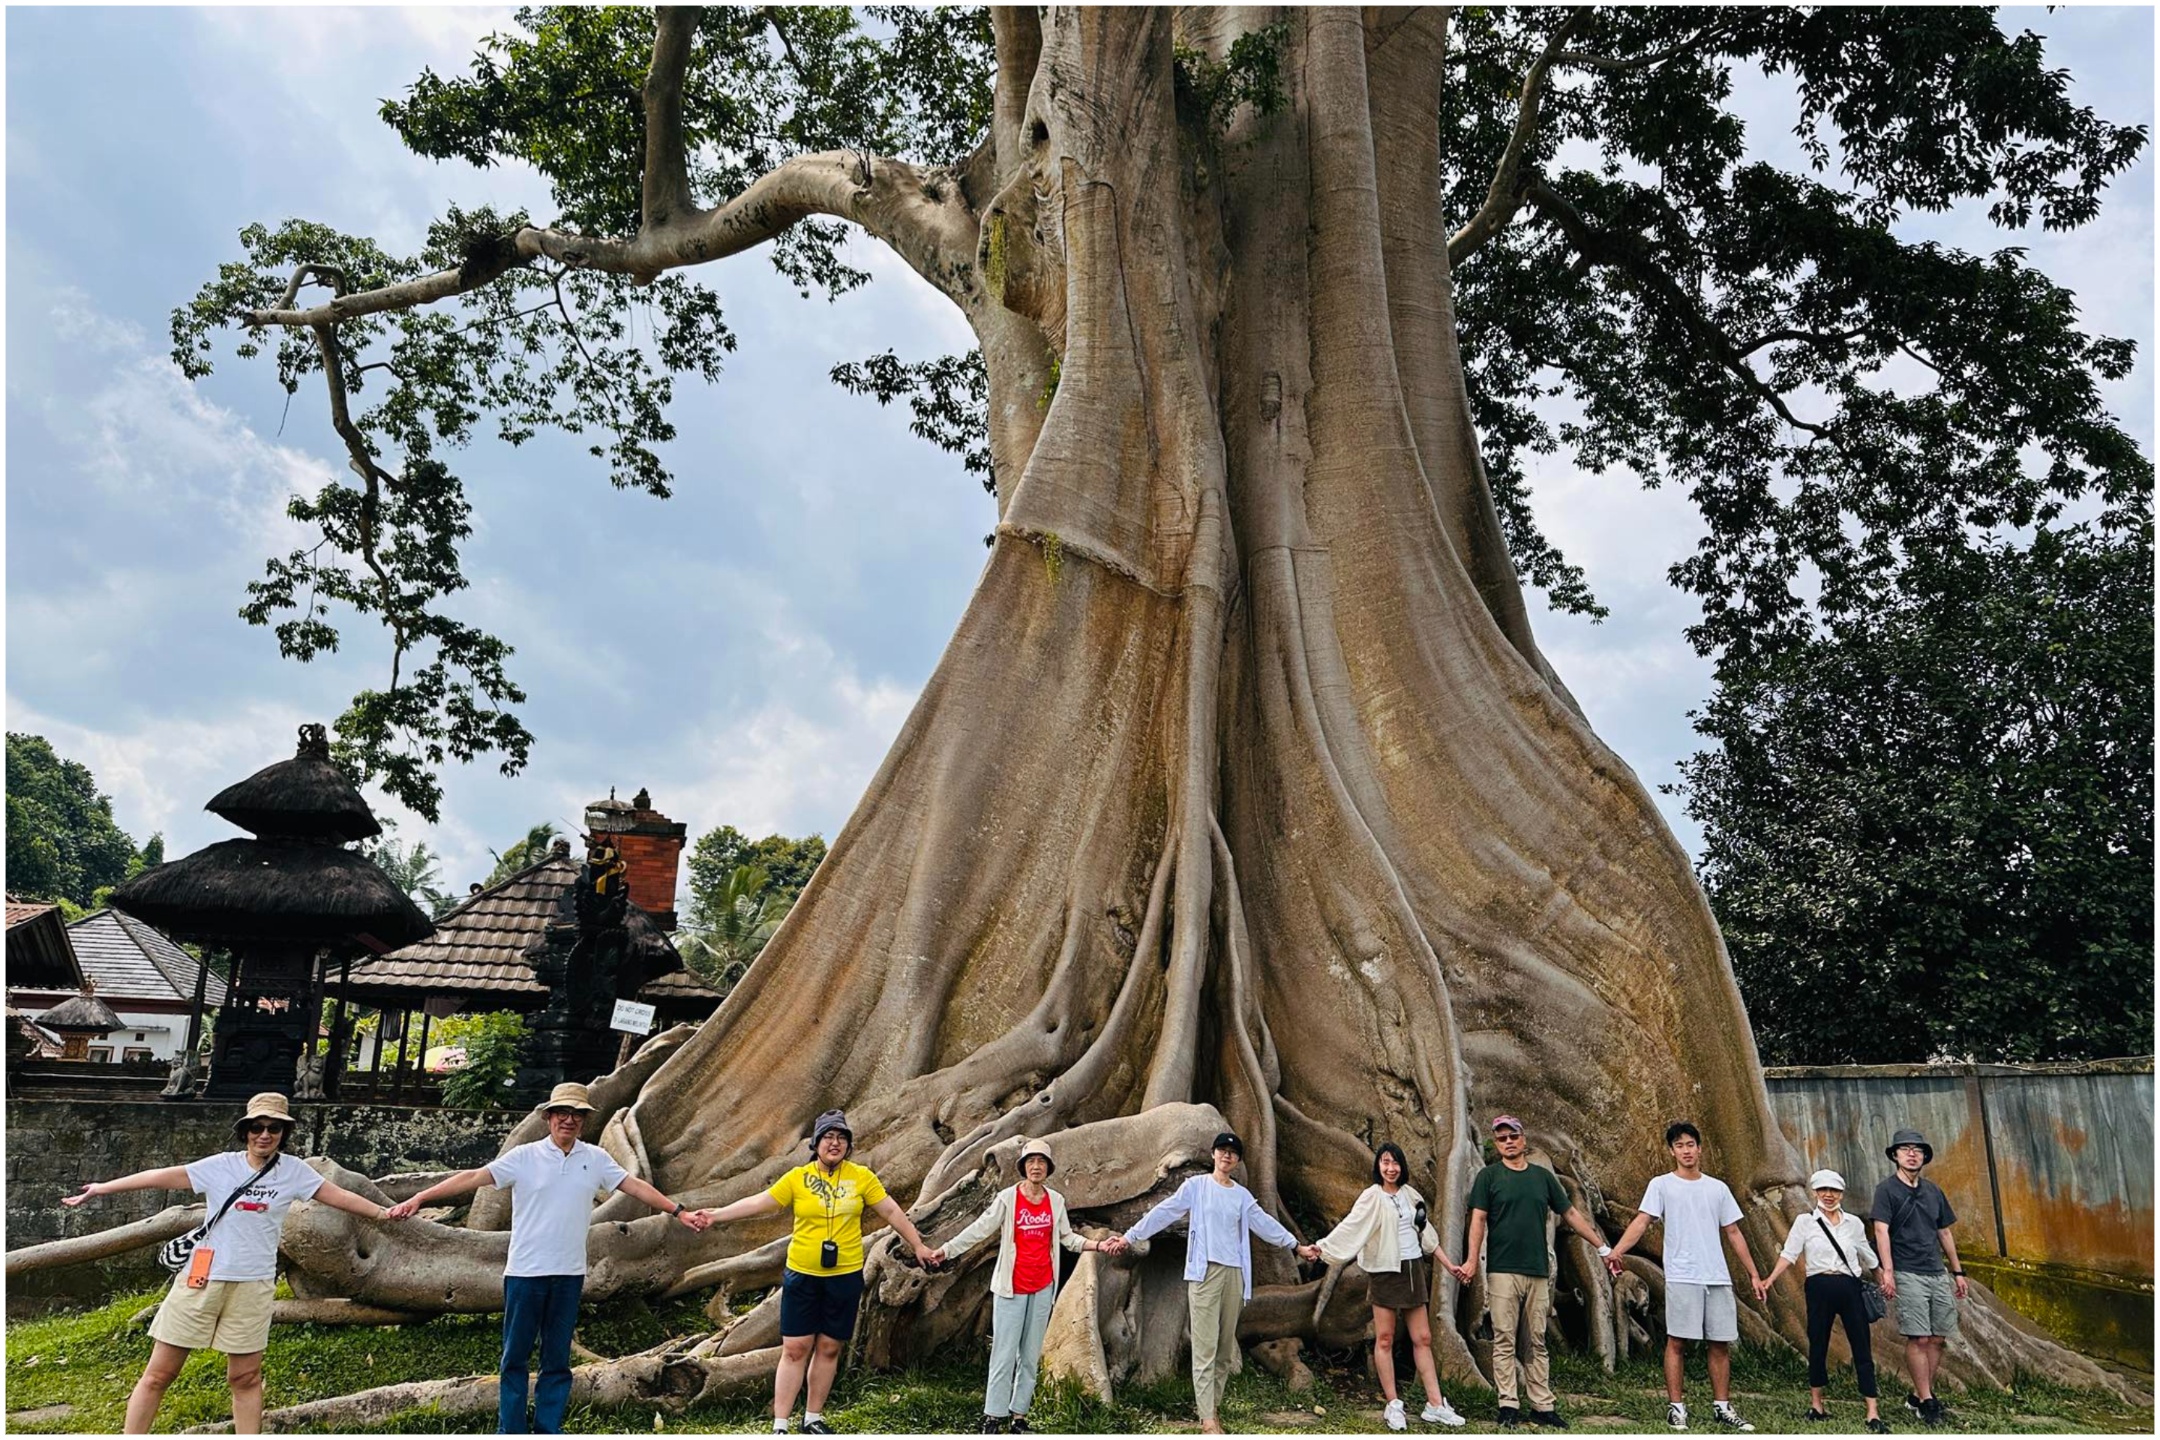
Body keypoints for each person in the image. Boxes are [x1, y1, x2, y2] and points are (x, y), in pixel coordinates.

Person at [63, 1092, 401, 1434]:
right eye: (257, 1127)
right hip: (202, 1279)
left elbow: (339, 1196)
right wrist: (102, 1188)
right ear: (246, 1131)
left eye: (274, 1128)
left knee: (245, 1377)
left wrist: (385, 1214)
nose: (265, 1135)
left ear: (284, 1133)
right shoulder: (220, 1166)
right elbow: (159, 1176)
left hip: (252, 1285)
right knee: (159, 1374)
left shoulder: (293, 1172)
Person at [386, 1082, 707, 1433]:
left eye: (577, 1115)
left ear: (584, 1121)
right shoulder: (524, 1157)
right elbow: (473, 1177)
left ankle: (548, 1428)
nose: (568, 1120)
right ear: (549, 1117)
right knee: (515, 1359)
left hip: (568, 1275)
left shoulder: (595, 1158)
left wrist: (678, 1211)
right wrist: (420, 1198)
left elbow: (635, 1186)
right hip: (526, 1274)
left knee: (556, 1361)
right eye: (562, 1113)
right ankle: (511, 1429)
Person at [692, 1109, 939, 1436]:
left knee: (829, 1347)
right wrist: (716, 1215)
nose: (834, 1143)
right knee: (795, 1348)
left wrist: (918, 1245)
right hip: (803, 1275)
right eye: (828, 1137)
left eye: (841, 1138)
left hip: (845, 1276)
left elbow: (891, 1210)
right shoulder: (798, 1178)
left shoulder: (862, 1177)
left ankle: (813, 1418)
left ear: (848, 1145)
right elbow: (759, 1202)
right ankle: (781, 1425)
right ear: (816, 1143)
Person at [1103, 1130, 1320, 1435]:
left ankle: (1211, 1407)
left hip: (1233, 1275)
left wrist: (1296, 1245)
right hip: (1205, 1274)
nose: (1226, 1156)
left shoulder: (1242, 1196)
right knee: (1204, 1346)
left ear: (1237, 1160)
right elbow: (1163, 1213)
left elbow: (1265, 1224)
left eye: (1232, 1153)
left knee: (1222, 1349)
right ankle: (1207, 1419)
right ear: (1214, 1155)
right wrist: (1130, 1237)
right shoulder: (1197, 1187)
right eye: (1221, 1151)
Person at [1451, 1114, 1614, 1428]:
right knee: (1504, 1338)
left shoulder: (1542, 1177)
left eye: (1513, 1136)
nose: (1508, 1142)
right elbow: (1477, 1221)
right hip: (1501, 1271)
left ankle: (1542, 1405)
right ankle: (1508, 1404)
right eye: (1501, 1138)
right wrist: (1472, 1261)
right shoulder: (1489, 1177)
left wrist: (1602, 1247)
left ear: (1523, 1140)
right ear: (1496, 1145)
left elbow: (1570, 1214)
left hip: (1538, 1271)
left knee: (1536, 1339)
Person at [929, 1138, 1102, 1433]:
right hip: (1011, 1287)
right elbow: (980, 1229)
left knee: (1030, 1354)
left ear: (1048, 1168)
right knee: (1004, 1353)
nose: (1036, 1166)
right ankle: (992, 1416)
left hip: (1042, 1287)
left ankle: (1018, 1417)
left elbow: (1067, 1238)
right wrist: (946, 1249)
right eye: (1031, 1162)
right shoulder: (1008, 1198)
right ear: (1023, 1167)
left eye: (1041, 1162)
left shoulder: (1055, 1201)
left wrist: (1096, 1245)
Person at [1604, 1121, 1763, 1433]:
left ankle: (1722, 1407)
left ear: (1699, 1148)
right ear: (1671, 1151)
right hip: (1682, 1274)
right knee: (1677, 1341)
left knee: (1719, 1343)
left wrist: (1754, 1274)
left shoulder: (1717, 1188)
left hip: (1716, 1276)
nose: (1686, 1150)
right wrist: (1617, 1251)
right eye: (1680, 1145)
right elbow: (1642, 1221)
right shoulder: (1662, 1185)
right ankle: (1677, 1408)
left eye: (1691, 1144)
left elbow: (1733, 1231)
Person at [1312, 1141, 1466, 1430]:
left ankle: (1435, 1404)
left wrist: (1449, 1265)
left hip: (1412, 1270)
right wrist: (1322, 1249)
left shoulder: (1411, 1195)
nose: (1391, 1168)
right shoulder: (1371, 1196)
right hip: (1385, 1271)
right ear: (1378, 1166)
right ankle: (1393, 1404)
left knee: (1422, 1338)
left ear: (1402, 1166)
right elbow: (1351, 1227)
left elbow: (1427, 1234)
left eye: (1395, 1163)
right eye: (1385, 1162)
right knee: (1384, 1338)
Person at [1757, 1169, 1888, 1433]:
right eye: (1823, 1190)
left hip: (1849, 1287)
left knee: (1861, 1345)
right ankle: (1817, 1405)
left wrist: (1884, 1278)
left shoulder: (1853, 1223)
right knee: (1818, 1343)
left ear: (1841, 1193)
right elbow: (1789, 1254)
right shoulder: (1805, 1222)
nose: (1829, 1195)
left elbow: (1867, 1254)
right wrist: (1769, 1280)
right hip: (1818, 1286)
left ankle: (1872, 1410)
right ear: (1815, 1192)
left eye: (1834, 1191)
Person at [1871, 1128, 1965, 1427]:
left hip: (1936, 1272)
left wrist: (1958, 1272)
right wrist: (1887, 1272)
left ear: (1924, 1156)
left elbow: (1945, 1232)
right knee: (1918, 1336)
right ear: (1895, 1156)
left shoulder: (1934, 1191)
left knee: (1938, 1337)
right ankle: (1927, 1401)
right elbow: (1881, 1230)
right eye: (1905, 1149)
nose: (1912, 1154)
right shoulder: (1886, 1190)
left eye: (1918, 1149)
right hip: (1906, 1270)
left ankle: (1918, 1395)